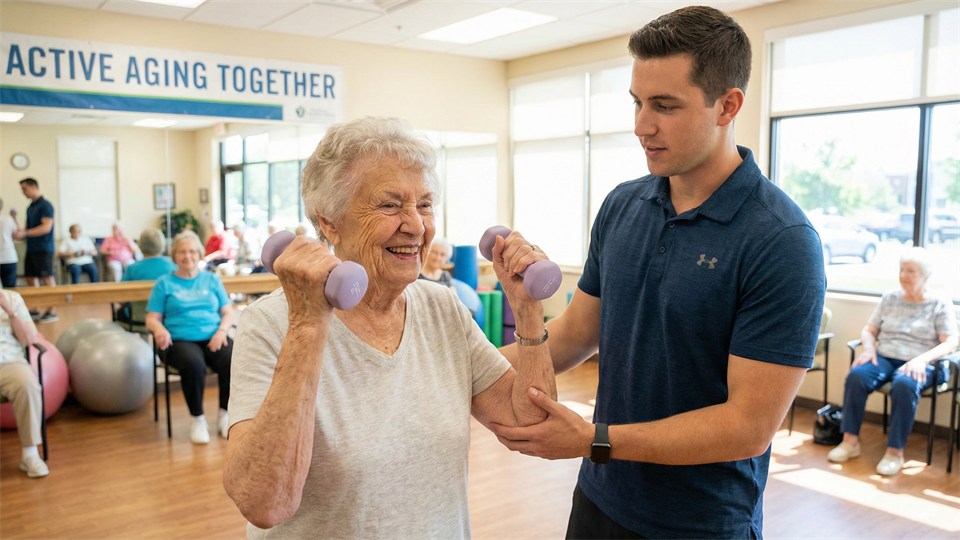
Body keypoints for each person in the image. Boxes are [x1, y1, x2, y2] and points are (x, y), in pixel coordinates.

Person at [491, 7, 826, 539]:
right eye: (638, 102)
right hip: (599, 499)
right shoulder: (622, 205)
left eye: (665, 106)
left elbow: (748, 426)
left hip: (701, 524)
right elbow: (576, 335)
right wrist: (457, 368)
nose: (642, 125)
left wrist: (595, 440)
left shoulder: (781, 241)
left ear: (727, 106)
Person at [222, 117, 557, 538]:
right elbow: (265, 503)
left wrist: (527, 311)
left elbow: (532, 422)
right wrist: (308, 323)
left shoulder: (442, 308)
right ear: (329, 222)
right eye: (389, 205)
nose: (416, 226)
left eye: (425, 205)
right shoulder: (270, 323)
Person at [828, 247, 958, 475]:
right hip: (885, 356)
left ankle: (895, 452)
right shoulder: (890, 298)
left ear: (926, 276)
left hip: (922, 362)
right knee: (857, 376)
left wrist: (921, 360)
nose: (904, 275)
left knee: (904, 384)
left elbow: (950, 342)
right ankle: (850, 442)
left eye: (911, 271)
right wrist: (869, 349)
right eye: (902, 270)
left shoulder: (939, 303)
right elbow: (869, 330)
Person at [145, 231, 236, 445]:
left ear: (199, 254)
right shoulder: (164, 283)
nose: (188, 256)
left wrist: (221, 331)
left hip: (213, 336)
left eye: (192, 251)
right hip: (178, 340)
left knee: (233, 358)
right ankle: (198, 419)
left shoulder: (211, 280)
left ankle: (225, 415)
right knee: (193, 364)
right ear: (174, 255)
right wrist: (159, 330)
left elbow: (228, 312)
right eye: (182, 252)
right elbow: (151, 318)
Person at [0, 285, 49, 478]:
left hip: (8, 361)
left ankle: (30, 455)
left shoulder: (13, 299)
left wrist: (10, 311)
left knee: (27, 385)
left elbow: (28, 339)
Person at [12, 178, 57, 323]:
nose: (23, 192)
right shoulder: (30, 207)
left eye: (25, 189)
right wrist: (19, 230)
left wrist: (25, 233)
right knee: (30, 277)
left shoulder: (45, 205)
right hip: (31, 248)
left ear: (34, 187)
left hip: (43, 248)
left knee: (47, 278)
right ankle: (35, 308)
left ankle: (52, 311)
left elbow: (46, 227)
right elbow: (28, 230)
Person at [0, 198, 19, 288]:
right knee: (10, 289)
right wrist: (14, 218)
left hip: (8, 257)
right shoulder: (8, 219)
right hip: (9, 257)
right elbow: (17, 234)